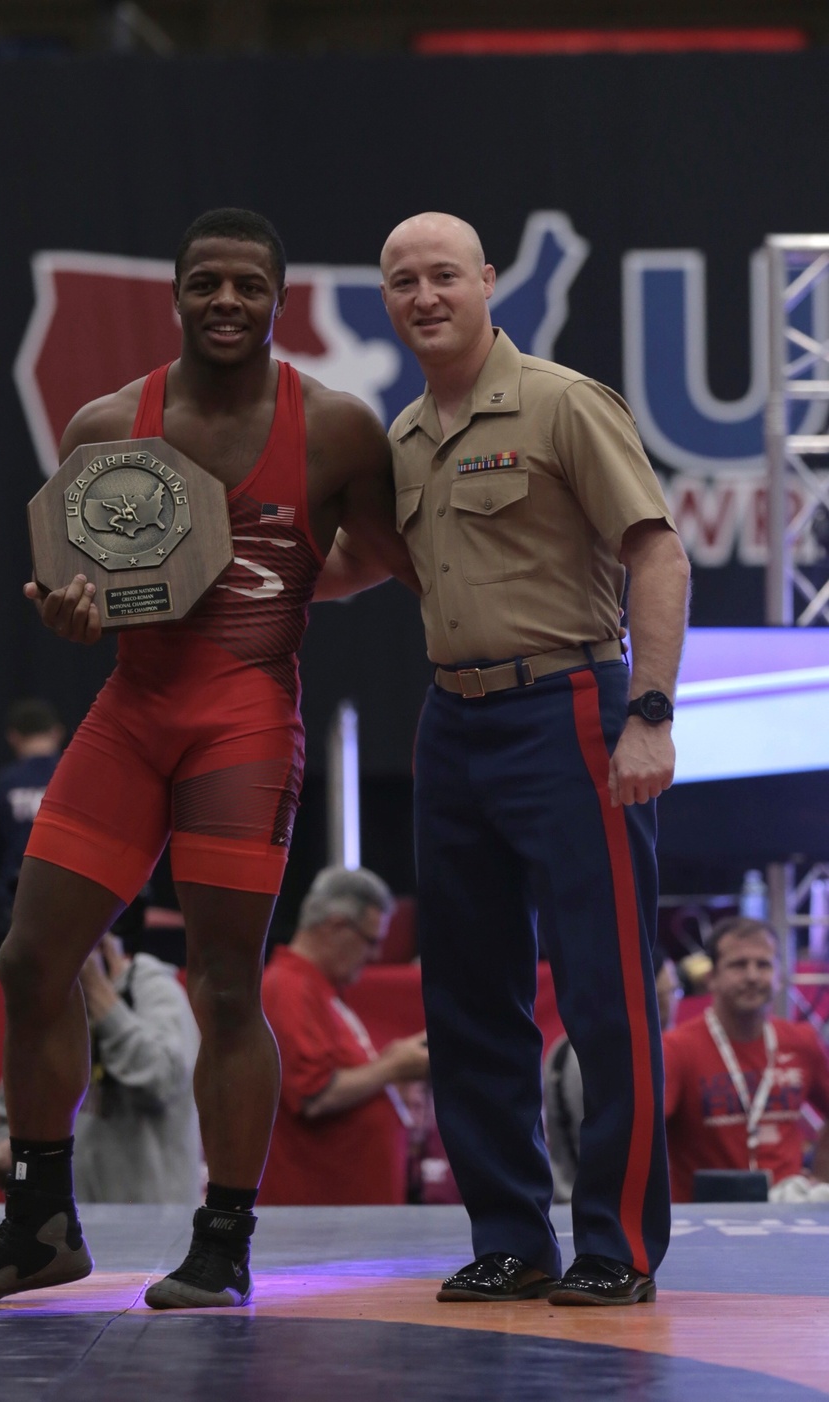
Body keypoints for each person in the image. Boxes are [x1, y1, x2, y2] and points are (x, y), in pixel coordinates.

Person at [0, 207, 415, 1311]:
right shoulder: (106, 423)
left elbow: (390, 558)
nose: (225, 302)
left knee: (225, 983)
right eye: (205, 284)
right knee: (30, 962)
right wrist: (69, 614)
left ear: (278, 301)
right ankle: (41, 1223)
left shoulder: (333, 427)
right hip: (133, 707)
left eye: (247, 285)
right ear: (176, 295)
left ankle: (223, 1240)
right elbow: (70, 580)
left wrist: (290, 585)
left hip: (242, 716)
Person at [319, 211, 690, 1306]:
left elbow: (656, 552)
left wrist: (652, 713)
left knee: (604, 986)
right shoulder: (399, 438)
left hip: (571, 703)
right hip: (454, 722)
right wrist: (228, 567)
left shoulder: (563, 403)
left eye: (442, 275)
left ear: (487, 282)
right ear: (385, 300)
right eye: (401, 281)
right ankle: (511, 1238)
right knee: (466, 992)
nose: (423, 295)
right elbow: (356, 566)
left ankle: (616, 1247)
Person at [258, 867, 429, 1205]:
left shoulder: (316, 989)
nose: (376, 955)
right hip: (322, 1224)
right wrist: (392, 1068)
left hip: (341, 1221)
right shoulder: (289, 987)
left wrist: (393, 1060)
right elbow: (314, 1095)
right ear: (337, 927)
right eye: (372, 941)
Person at [0, 932, 201, 1204]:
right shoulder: (49, 1006)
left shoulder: (154, 991)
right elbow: (9, 1119)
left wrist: (97, 991)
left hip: (151, 1222)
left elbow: (160, 1080)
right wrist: (7, 1154)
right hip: (69, 1227)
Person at [664, 916, 829, 1202]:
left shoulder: (801, 1041)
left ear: (778, 975)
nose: (752, 976)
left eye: (763, 965)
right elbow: (645, 1137)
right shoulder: (677, 1048)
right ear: (711, 977)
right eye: (739, 965)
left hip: (786, 1211)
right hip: (704, 1218)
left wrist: (823, 1182)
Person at [544, 950, 683, 1204]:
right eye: (671, 992)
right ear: (652, 995)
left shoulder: (565, 1046)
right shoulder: (615, 1054)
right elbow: (605, 1144)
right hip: (596, 1205)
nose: (675, 1003)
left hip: (572, 1195)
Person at [0, 698, 65, 959]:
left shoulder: (0, 785)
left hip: (17, 907)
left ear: (13, 737)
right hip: (75, 902)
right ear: (56, 732)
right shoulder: (80, 779)